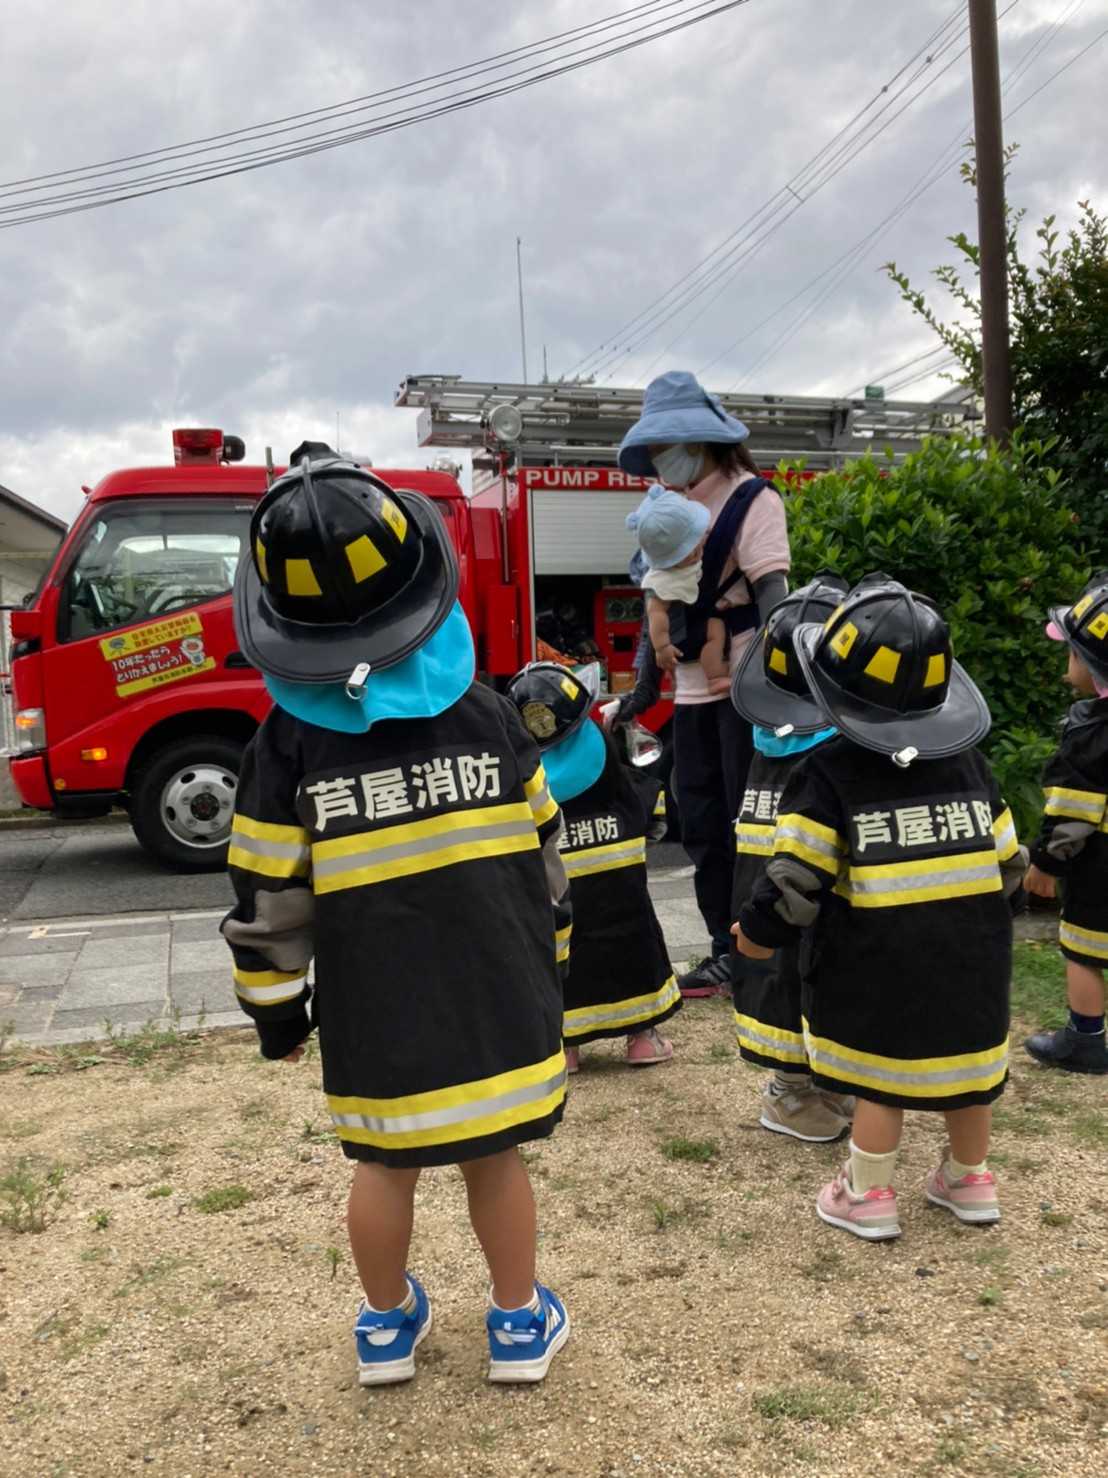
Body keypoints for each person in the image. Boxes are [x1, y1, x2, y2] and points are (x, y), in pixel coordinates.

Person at [221, 446, 570, 1385]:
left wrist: (276, 1010)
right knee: (494, 1160)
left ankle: (384, 1328)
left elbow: (266, 895)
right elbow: (547, 858)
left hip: (377, 1011)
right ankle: (517, 1325)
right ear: (425, 588)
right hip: (499, 993)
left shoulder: (285, 744)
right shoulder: (493, 717)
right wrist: (558, 957)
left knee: (383, 1164)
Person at [734, 576, 1025, 1242]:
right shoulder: (972, 768)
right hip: (974, 959)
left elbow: (795, 880)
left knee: (882, 1081)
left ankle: (866, 1192)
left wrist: (754, 935)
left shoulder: (826, 776)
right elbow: (1011, 862)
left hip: (878, 965)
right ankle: (971, 1178)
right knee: (970, 1078)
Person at [616, 371, 790, 999]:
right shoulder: (660, 505)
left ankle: (759, 944)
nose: (666, 459)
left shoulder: (752, 500)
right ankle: (724, 945)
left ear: (709, 441)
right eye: (658, 448)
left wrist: (781, 686)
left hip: (743, 688)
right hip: (688, 695)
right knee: (699, 820)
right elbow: (654, 606)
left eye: (676, 444)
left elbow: (774, 596)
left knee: (752, 821)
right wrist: (639, 693)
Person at [507, 661, 681, 1073]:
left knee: (561, 963)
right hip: (626, 918)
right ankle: (642, 1039)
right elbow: (655, 813)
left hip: (564, 921)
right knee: (638, 952)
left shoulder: (532, 800)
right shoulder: (618, 787)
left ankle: (567, 1048)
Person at [729, 574, 852, 1142]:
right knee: (789, 974)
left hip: (778, 885)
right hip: (784, 889)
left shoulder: (765, 730)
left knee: (804, 973)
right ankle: (788, 1090)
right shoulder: (816, 745)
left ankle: (819, 1077)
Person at [1023, 571, 1108, 1075]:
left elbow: (1072, 812)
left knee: (1084, 950)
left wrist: (1046, 864)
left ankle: (1085, 1037)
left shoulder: (1090, 731)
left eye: (1072, 652)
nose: (1067, 662)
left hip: (1100, 864)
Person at [626, 484, 730, 694]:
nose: (697, 554)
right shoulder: (661, 581)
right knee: (715, 629)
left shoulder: (690, 548)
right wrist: (662, 647)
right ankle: (715, 676)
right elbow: (655, 614)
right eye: (688, 554)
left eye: (698, 545)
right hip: (680, 636)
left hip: (686, 625)